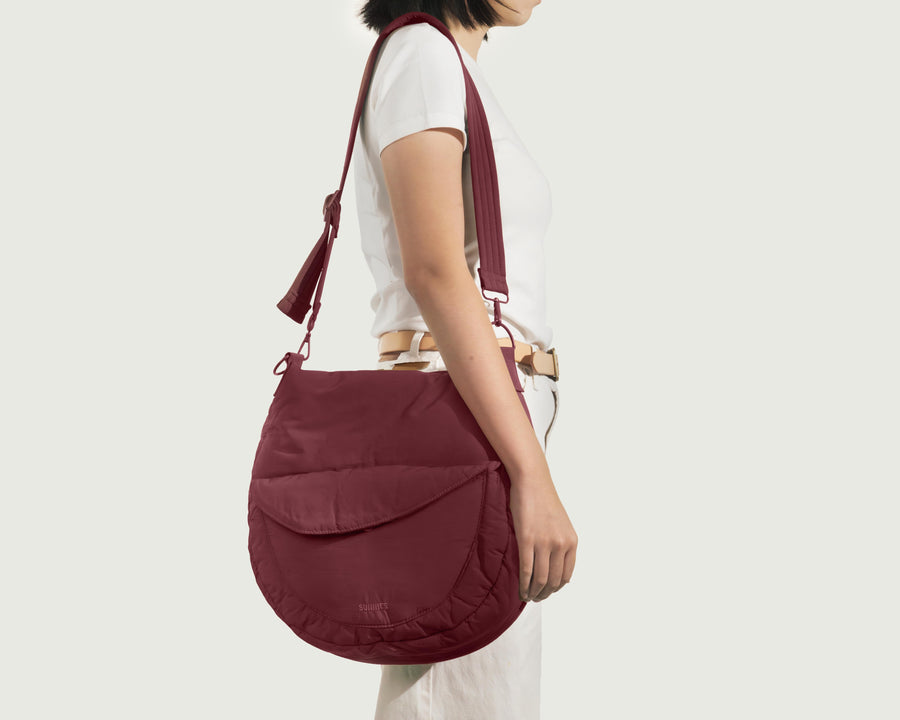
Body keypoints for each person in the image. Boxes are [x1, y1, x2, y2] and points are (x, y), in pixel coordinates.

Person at [353, 2, 578, 717]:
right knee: (462, 692)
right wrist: (529, 472)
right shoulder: (422, 56)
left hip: (478, 408)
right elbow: (434, 271)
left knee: (480, 689)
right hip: (463, 416)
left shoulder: (445, 65)